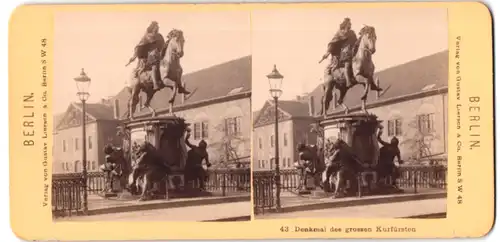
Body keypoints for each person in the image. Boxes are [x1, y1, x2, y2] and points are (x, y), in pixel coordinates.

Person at [126, 21, 165, 91]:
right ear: (152, 28)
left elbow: (163, 45)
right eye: (156, 27)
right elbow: (139, 46)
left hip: (157, 55)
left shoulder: (159, 36)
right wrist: (134, 57)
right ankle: (155, 84)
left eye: (158, 27)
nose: (158, 28)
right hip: (147, 57)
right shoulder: (147, 36)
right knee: (154, 65)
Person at [320, 18, 358, 88]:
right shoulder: (339, 33)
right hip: (343, 53)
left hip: (352, 51)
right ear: (345, 25)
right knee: (347, 65)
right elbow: (333, 43)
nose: (350, 25)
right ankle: (348, 81)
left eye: (350, 24)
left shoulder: (352, 33)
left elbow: (356, 42)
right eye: (349, 24)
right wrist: (328, 52)